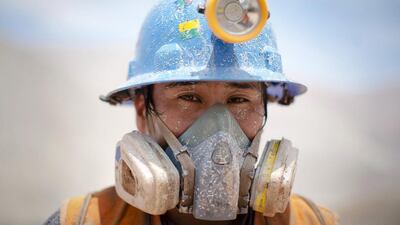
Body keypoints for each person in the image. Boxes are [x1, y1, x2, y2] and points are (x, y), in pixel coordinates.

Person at [44, 0, 338, 224]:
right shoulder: (85, 219)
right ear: (141, 111)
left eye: (238, 100)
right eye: (189, 97)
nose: (221, 129)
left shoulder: (312, 221)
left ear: (263, 107)